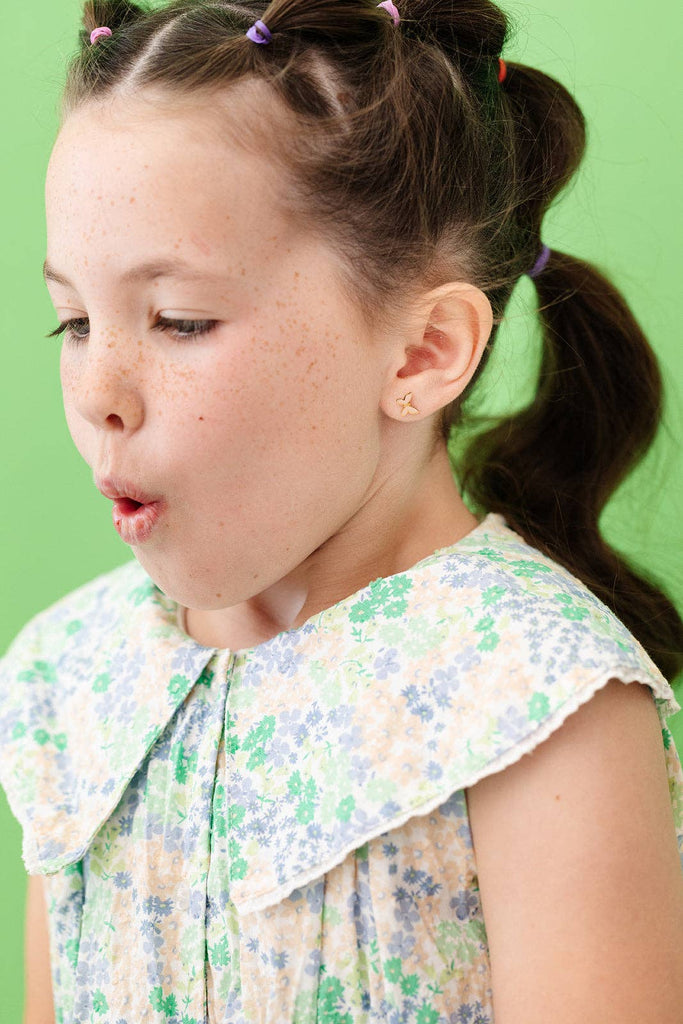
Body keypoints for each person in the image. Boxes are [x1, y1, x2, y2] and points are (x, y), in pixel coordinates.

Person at [2, 0, 683, 1020]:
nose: (100, 389)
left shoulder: (535, 706)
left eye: (179, 319)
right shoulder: (72, 676)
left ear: (419, 354)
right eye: (74, 319)